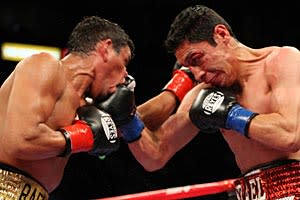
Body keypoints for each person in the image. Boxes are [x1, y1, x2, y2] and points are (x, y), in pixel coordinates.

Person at [97, 5, 300, 200]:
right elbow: (156, 155)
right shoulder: (205, 92)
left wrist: (231, 115)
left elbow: (290, 135)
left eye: (197, 59)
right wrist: (128, 120)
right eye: (188, 67)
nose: (198, 74)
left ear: (221, 35)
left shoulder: (282, 61)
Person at [0, 15, 136, 199]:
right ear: (106, 48)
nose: (125, 76)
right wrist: (82, 137)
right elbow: (21, 141)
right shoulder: (44, 66)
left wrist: (178, 87)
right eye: (124, 62)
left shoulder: (85, 108)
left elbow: (143, 127)